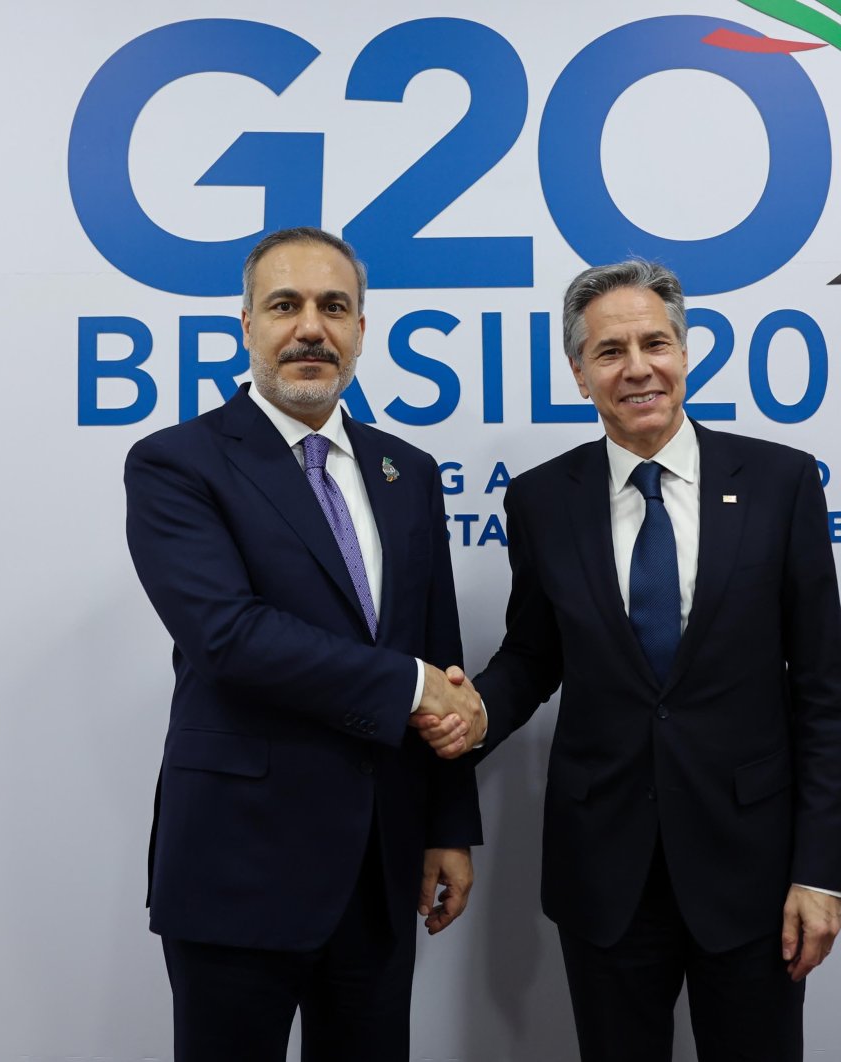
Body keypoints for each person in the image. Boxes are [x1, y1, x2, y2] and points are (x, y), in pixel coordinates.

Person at [416, 260, 841, 1061]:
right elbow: (534, 652)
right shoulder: (543, 499)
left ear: (685, 353)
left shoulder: (779, 481)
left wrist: (821, 872)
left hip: (751, 870)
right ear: (579, 371)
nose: (638, 368)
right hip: (605, 869)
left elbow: (825, 692)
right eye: (610, 350)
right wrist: (476, 708)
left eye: (655, 343)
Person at [125, 227, 486, 1061]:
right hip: (237, 863)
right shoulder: (177, 463)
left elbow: (442, 653)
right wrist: (408, 686)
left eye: (335, 306)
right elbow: (230, 635)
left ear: (363, 327)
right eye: (285, 306)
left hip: (380, 865)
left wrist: (448, 824)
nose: (311, 328)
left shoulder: (411, 471)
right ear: (246, 324)